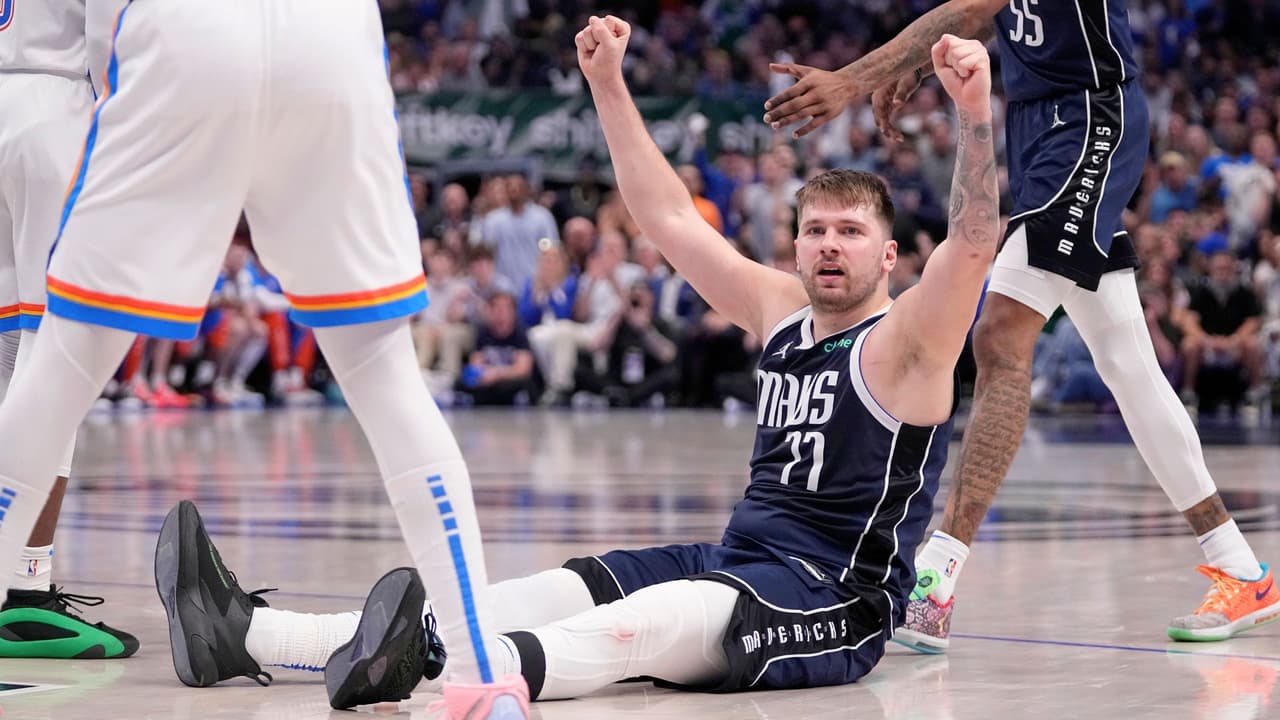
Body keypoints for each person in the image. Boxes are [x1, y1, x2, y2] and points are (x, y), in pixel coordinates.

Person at [161, 19, 1001, 704]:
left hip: (833, 598)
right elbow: (667, 216)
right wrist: (608, 86)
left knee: (661, 618)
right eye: (814, 230)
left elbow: (970, 244)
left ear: (888, 256)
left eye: (849, 233)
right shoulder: (782, 308)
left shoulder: (909, 340)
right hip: (740, 556)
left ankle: (475, 675)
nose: (827, 247)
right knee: (547, 590)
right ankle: (249, 635)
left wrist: (973, 114)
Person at [0, 2, 526, 717]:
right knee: (384, 372)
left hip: (182, 29)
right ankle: (482, 679)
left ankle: (18, 578)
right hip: (330, 28)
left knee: (60, 359)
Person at [760, 0, 1277, 651]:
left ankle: (935, 580)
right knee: (1126, 364)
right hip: (1035, 124)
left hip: (1090, 117)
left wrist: (853, 78)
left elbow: (973, 7)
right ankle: (1240, 568)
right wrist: (917, 64)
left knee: (1001, 333)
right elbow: (977, 20)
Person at [0, 0, 137, 658]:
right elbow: (113, 38)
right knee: (53, 349)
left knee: (8, 350)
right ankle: (25, 589)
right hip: (55, 114)